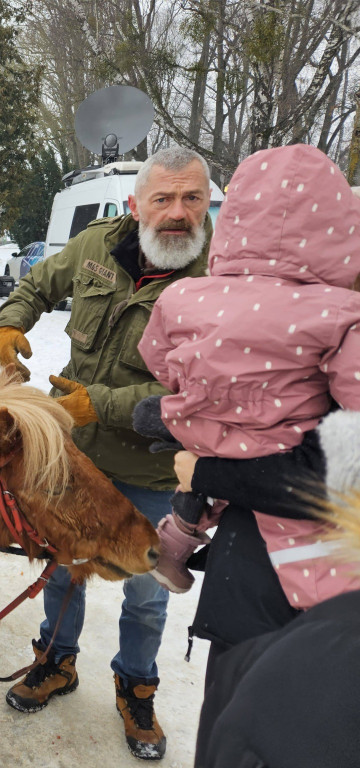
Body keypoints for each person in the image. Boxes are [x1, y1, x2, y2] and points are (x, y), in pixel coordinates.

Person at [0, 146, 215, 760]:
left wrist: (104, 404)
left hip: (153, 467)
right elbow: (39, 282)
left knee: (144, 590)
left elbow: (196, 387)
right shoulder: (95, 246)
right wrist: (12, 321)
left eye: (192, 198)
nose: (177, 213)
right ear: (135, 204)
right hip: (77, 458)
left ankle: (136, 688)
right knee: (62, 567)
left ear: (207, 204)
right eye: (163, 199)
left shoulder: (219, 279)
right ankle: (56, 662)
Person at [137, 144, 360, 598]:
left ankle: (176, 540)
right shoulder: (340, 311)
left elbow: (158, 358)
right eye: (162, 199)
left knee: (199, 467)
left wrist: (202, 398)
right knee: (310, 563)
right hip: (281, 450)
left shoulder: (186, 295)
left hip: (209, 435)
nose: (176, 211)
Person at [193, 409, 360, 768]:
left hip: (314, 607)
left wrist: (202, 472)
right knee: (231, 728)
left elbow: (321, 477)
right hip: (254, 583)